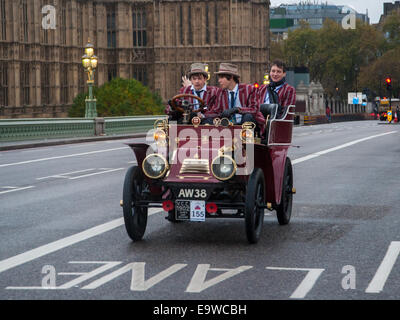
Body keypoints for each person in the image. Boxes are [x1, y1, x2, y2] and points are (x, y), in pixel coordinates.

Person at [205, 63, 265, 132]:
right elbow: (216, 111)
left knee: (248, 116)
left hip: (248, 124)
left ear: (230, 77)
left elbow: (254, 109)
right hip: (228, 125)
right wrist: (201, 115)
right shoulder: (220, 92)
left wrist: (237, 109)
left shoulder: (249, 89)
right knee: (209, 120)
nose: (219, 81)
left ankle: (247, 141)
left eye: (222, 77)